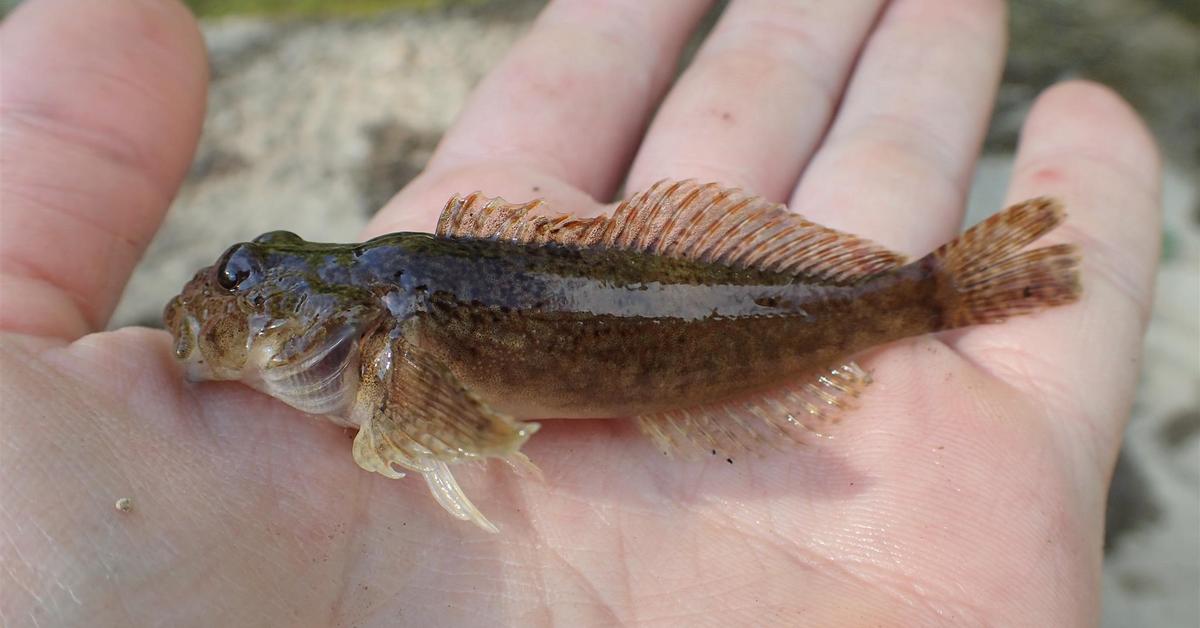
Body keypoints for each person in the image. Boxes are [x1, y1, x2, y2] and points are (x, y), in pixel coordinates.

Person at [0, 0, 1162, 625]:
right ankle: (924, 294)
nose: (223, 300)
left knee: (894, 299)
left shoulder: (398, 314)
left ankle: (932, 294)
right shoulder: (382, 307)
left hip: (725, 325)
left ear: (333, 296)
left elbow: (453, 426)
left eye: (253, 279)